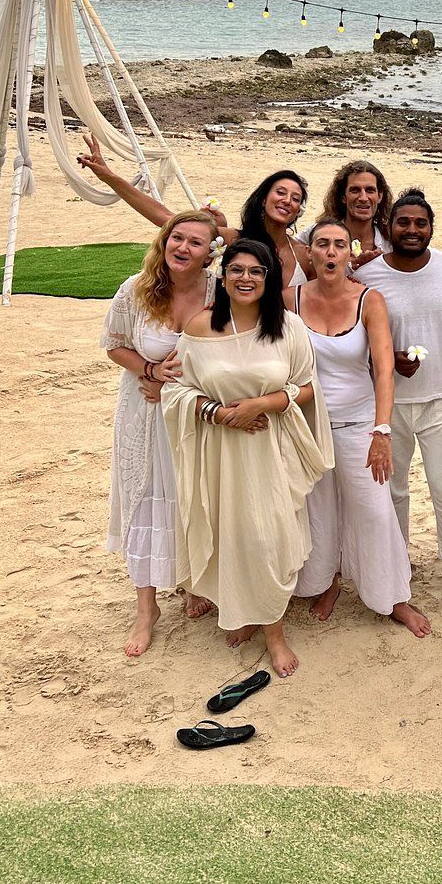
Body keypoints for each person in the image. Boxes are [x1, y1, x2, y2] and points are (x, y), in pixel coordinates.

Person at [162, 238, 334, 677]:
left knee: (268, 538)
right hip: (220, 453)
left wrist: (263, 405)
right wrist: (218, 413)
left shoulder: (288, 328)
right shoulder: (199, 329)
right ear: (222, 276)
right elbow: (176, 391)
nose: (245, 278)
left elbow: (307, 387)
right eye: (237, 270)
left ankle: (274, 633)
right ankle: (241, 613)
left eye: (256, 271)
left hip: (270, 449)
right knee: (230, 534)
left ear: (268, 278)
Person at [290, 219, 430, 637]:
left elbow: (385, 370)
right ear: (310, 254)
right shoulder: (289, 299)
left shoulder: (370, 300)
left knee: (373, 511)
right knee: (318, 510)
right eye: (321, 245)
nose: (330, 253)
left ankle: (394, 598)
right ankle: (326, 582)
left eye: (338, 245)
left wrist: (382, 432)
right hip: (307, 426)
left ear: (349, 253)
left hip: (359, 424)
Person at [101, 210, 218, 657]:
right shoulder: (136, 289)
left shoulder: (219, 291)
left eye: (194, 242)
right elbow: (113, 344)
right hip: (145, 414)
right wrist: (149, 370)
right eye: (177, 238)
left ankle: (192, 582)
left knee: (196, 496)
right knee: (147, 497)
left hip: (195, 414)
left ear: (210, 254)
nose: (182, 248)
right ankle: (146, 609)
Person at [354, 189, 442, 571]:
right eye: (404, 222)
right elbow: (355, 336)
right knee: (394, 491)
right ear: (390, 226)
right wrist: (385, 357)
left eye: (421, 223)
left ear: (432, 228)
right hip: (389, 402)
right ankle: (398, 564)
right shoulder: (366, 275)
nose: (412, 230)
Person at [77, 135, 313, 285]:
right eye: (280, 192)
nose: (286, 201)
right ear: (264, 199)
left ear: (298, 210)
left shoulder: (302, 253)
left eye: (295, 198)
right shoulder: (235, 239)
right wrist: (109, 177)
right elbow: (165, 218)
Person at [303, 158, 391, 268]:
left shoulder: (390, 243)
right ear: (343, 197)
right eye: (355, 190)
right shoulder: (316, 234)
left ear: (380, 196)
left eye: (370, 190)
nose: (363, 198)